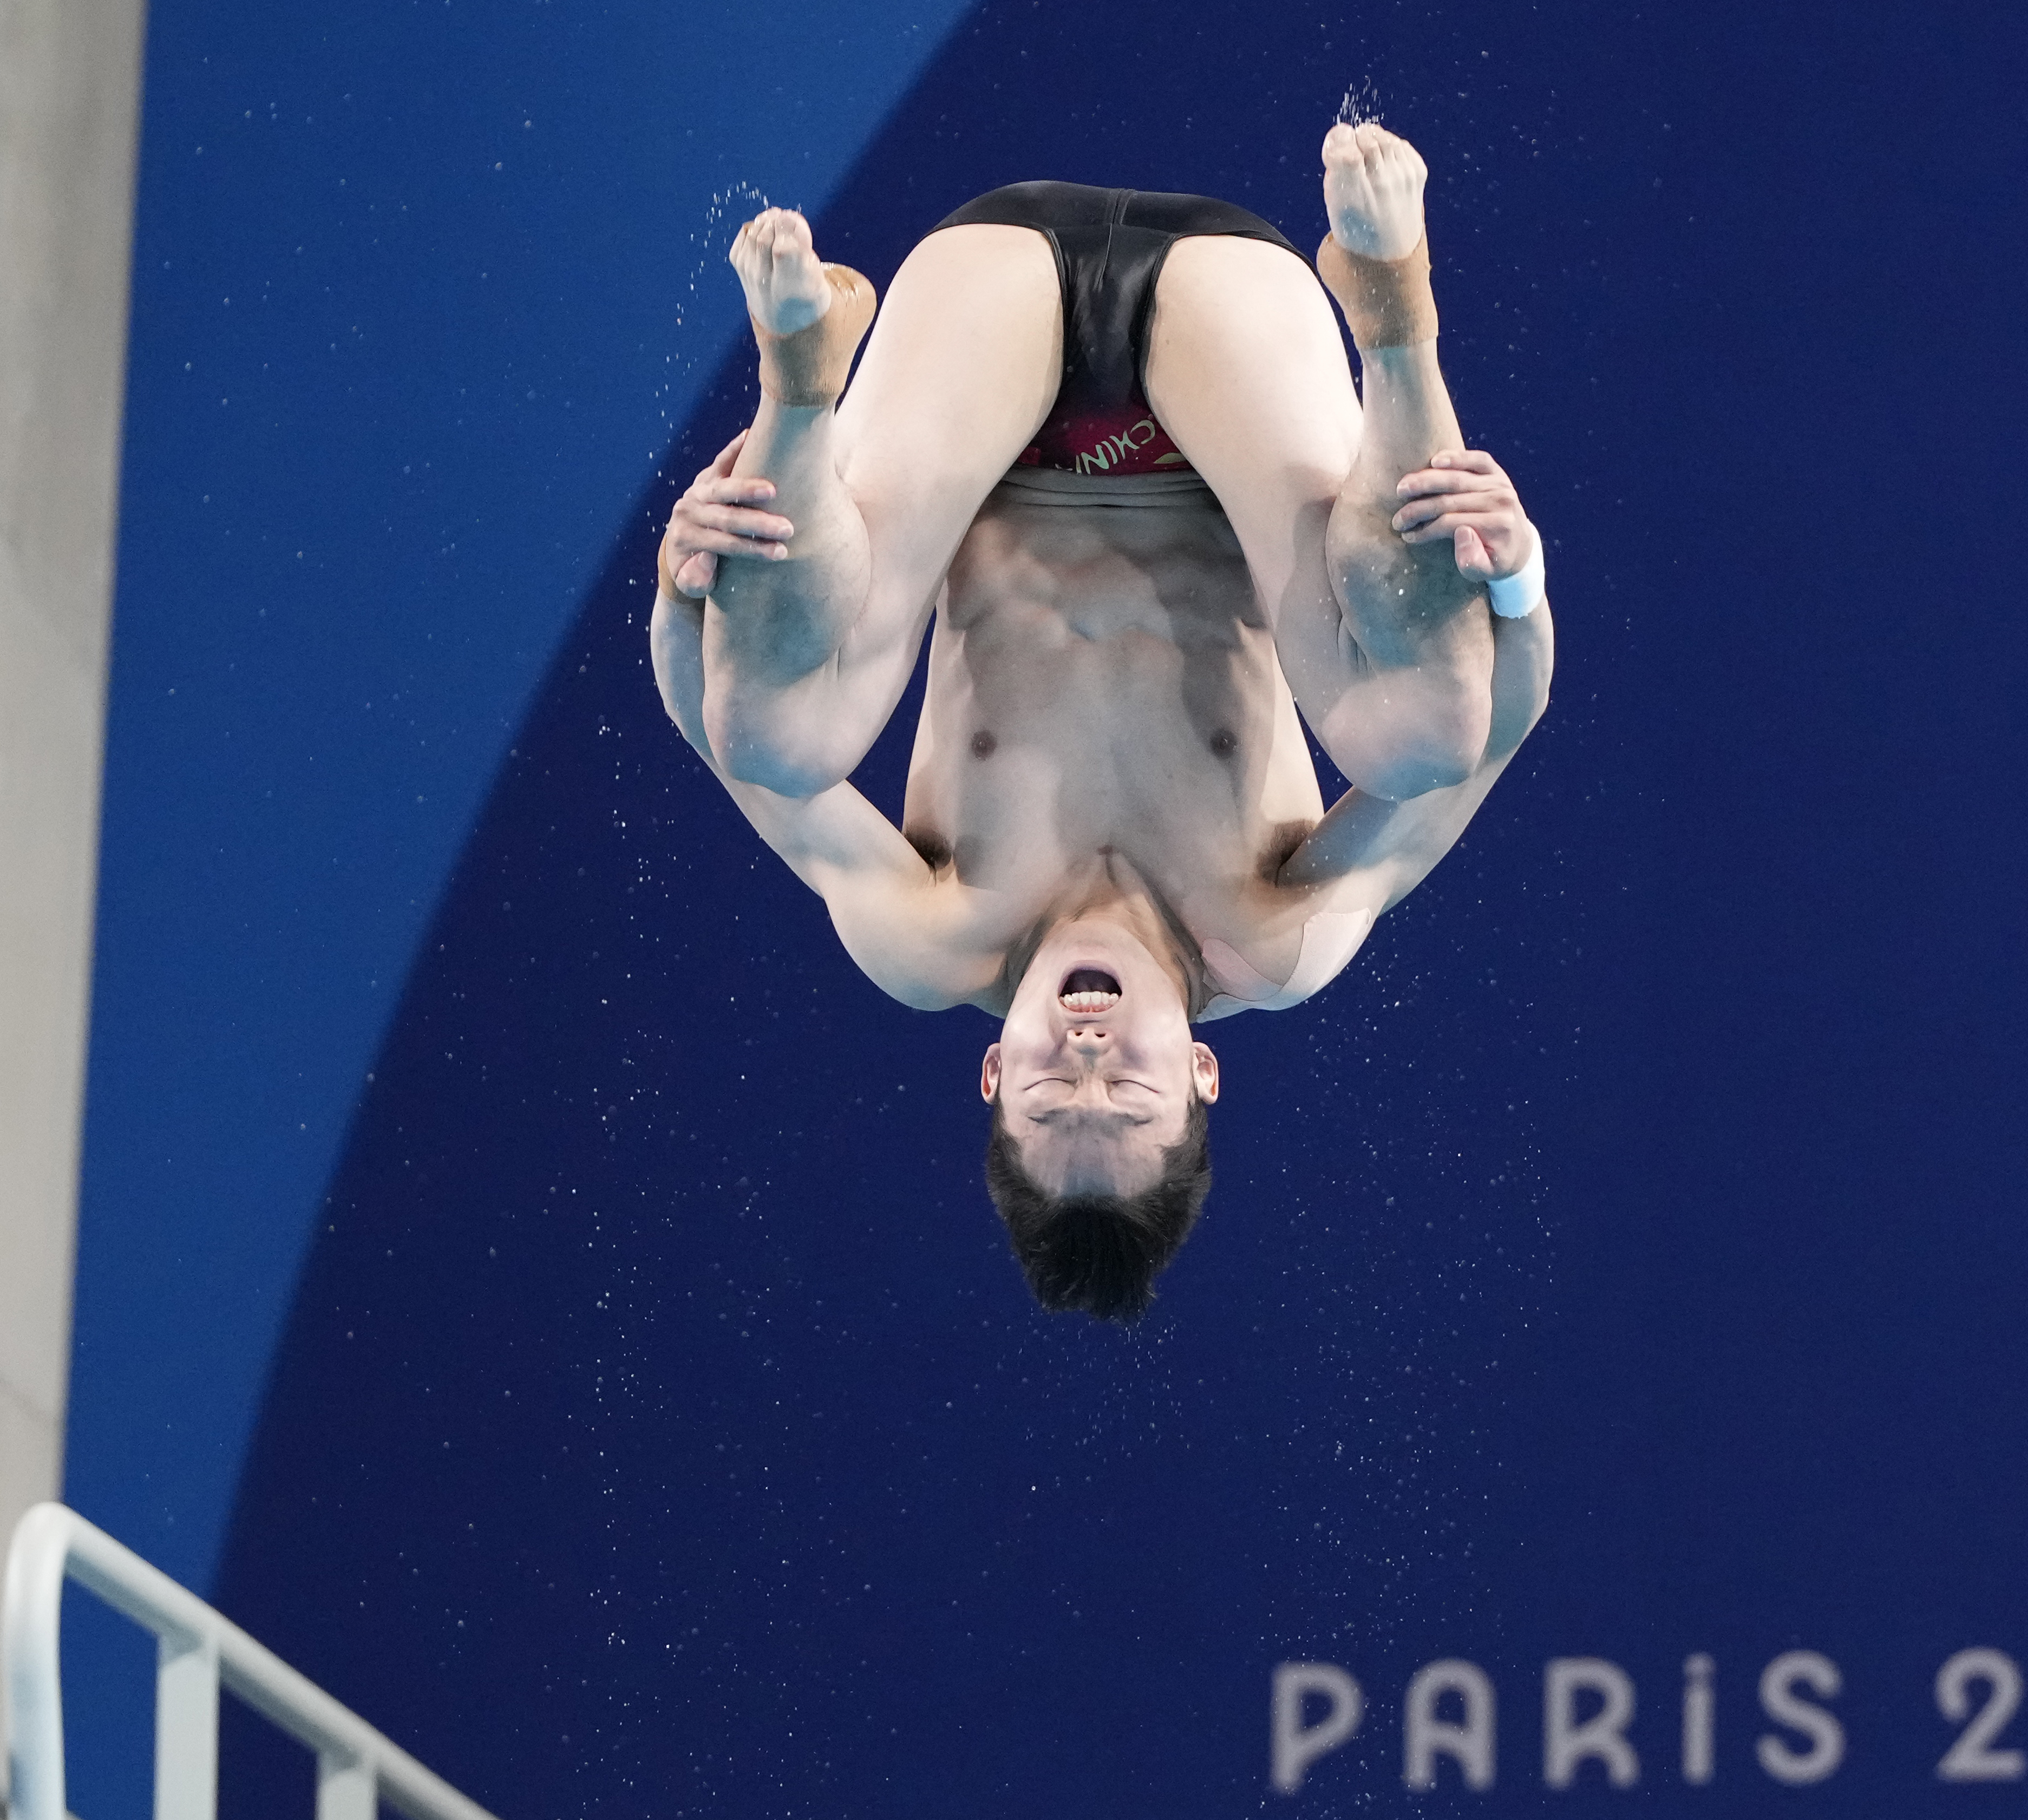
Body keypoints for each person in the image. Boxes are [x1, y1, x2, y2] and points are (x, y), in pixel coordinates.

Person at [650, 123, 1554, 1319]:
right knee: (1423, 735)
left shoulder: (934, 935)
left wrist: (679, 587)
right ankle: (1395, 314)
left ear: (991, 1071)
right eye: (1127, 1100)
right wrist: (1519, 574)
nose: (1086, 1059)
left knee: (780, 735)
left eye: (1044, 1096)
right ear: (1198, 1071)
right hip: (1229, 357)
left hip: (983, 343)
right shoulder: (1277, 937)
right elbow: (1492, 733)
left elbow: (733, 752)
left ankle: (799, 395)